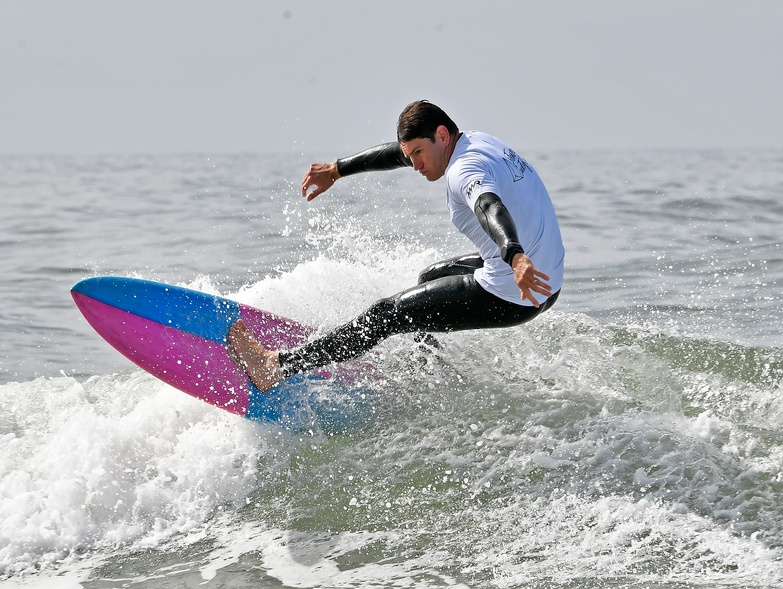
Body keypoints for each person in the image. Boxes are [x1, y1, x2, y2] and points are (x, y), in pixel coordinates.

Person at [227, 100, 565, 392]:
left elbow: (489, 207)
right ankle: (428, 371)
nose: (415, 165)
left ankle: (273, 367)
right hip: (548, 279)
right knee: (430, 277)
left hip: (517, 290)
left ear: (442, 136)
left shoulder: (464, 170)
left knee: (386, 314)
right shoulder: (474, 142)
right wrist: (337, 169)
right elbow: (398, 154)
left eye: (419, 153)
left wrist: (514, 256)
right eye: (411, 155)